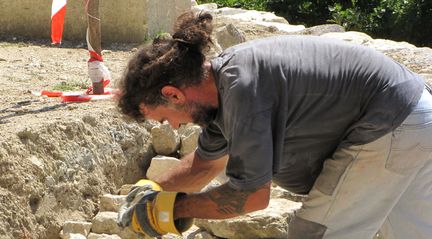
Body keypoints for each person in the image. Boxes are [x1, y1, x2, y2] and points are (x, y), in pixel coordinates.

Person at [116, 11, 432, 239]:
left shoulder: (243, 90)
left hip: (390, 123)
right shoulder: (219, 94)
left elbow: (252, 196)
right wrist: (154, 189)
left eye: (163, 118)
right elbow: (204, 165)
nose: (171, 126)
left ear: (173, 94)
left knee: (315, 232)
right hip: (415, 116)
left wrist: (173, 209)